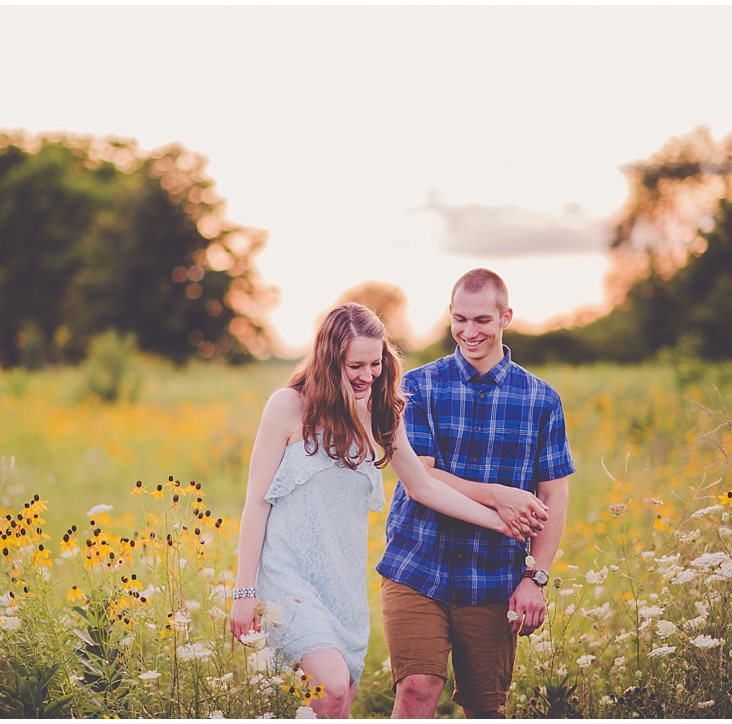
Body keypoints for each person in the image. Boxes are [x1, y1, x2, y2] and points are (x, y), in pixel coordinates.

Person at [229, 303, 547, 719]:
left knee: (338, 702)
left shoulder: (381, 411)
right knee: (333, 685)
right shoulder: (287, 407)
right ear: (329, 360)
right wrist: (244, 590)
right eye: (354, 365)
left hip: (342, 583)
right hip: (285, 573)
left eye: (375, 364)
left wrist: (501, 522)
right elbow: (257, 501)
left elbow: (423, 485)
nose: (367, 375)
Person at [376, 268, 575, 718]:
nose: (469, 331)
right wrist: (498, 495)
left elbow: (554, 497)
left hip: (493, 577)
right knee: (417, 689)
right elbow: (420, 476)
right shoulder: (416, 387)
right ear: (450, 315)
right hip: (418, 565)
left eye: (482, 320)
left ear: (506, 316)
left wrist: (535, 578)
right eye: (460, 319)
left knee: (486, 707)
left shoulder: (541, 400)